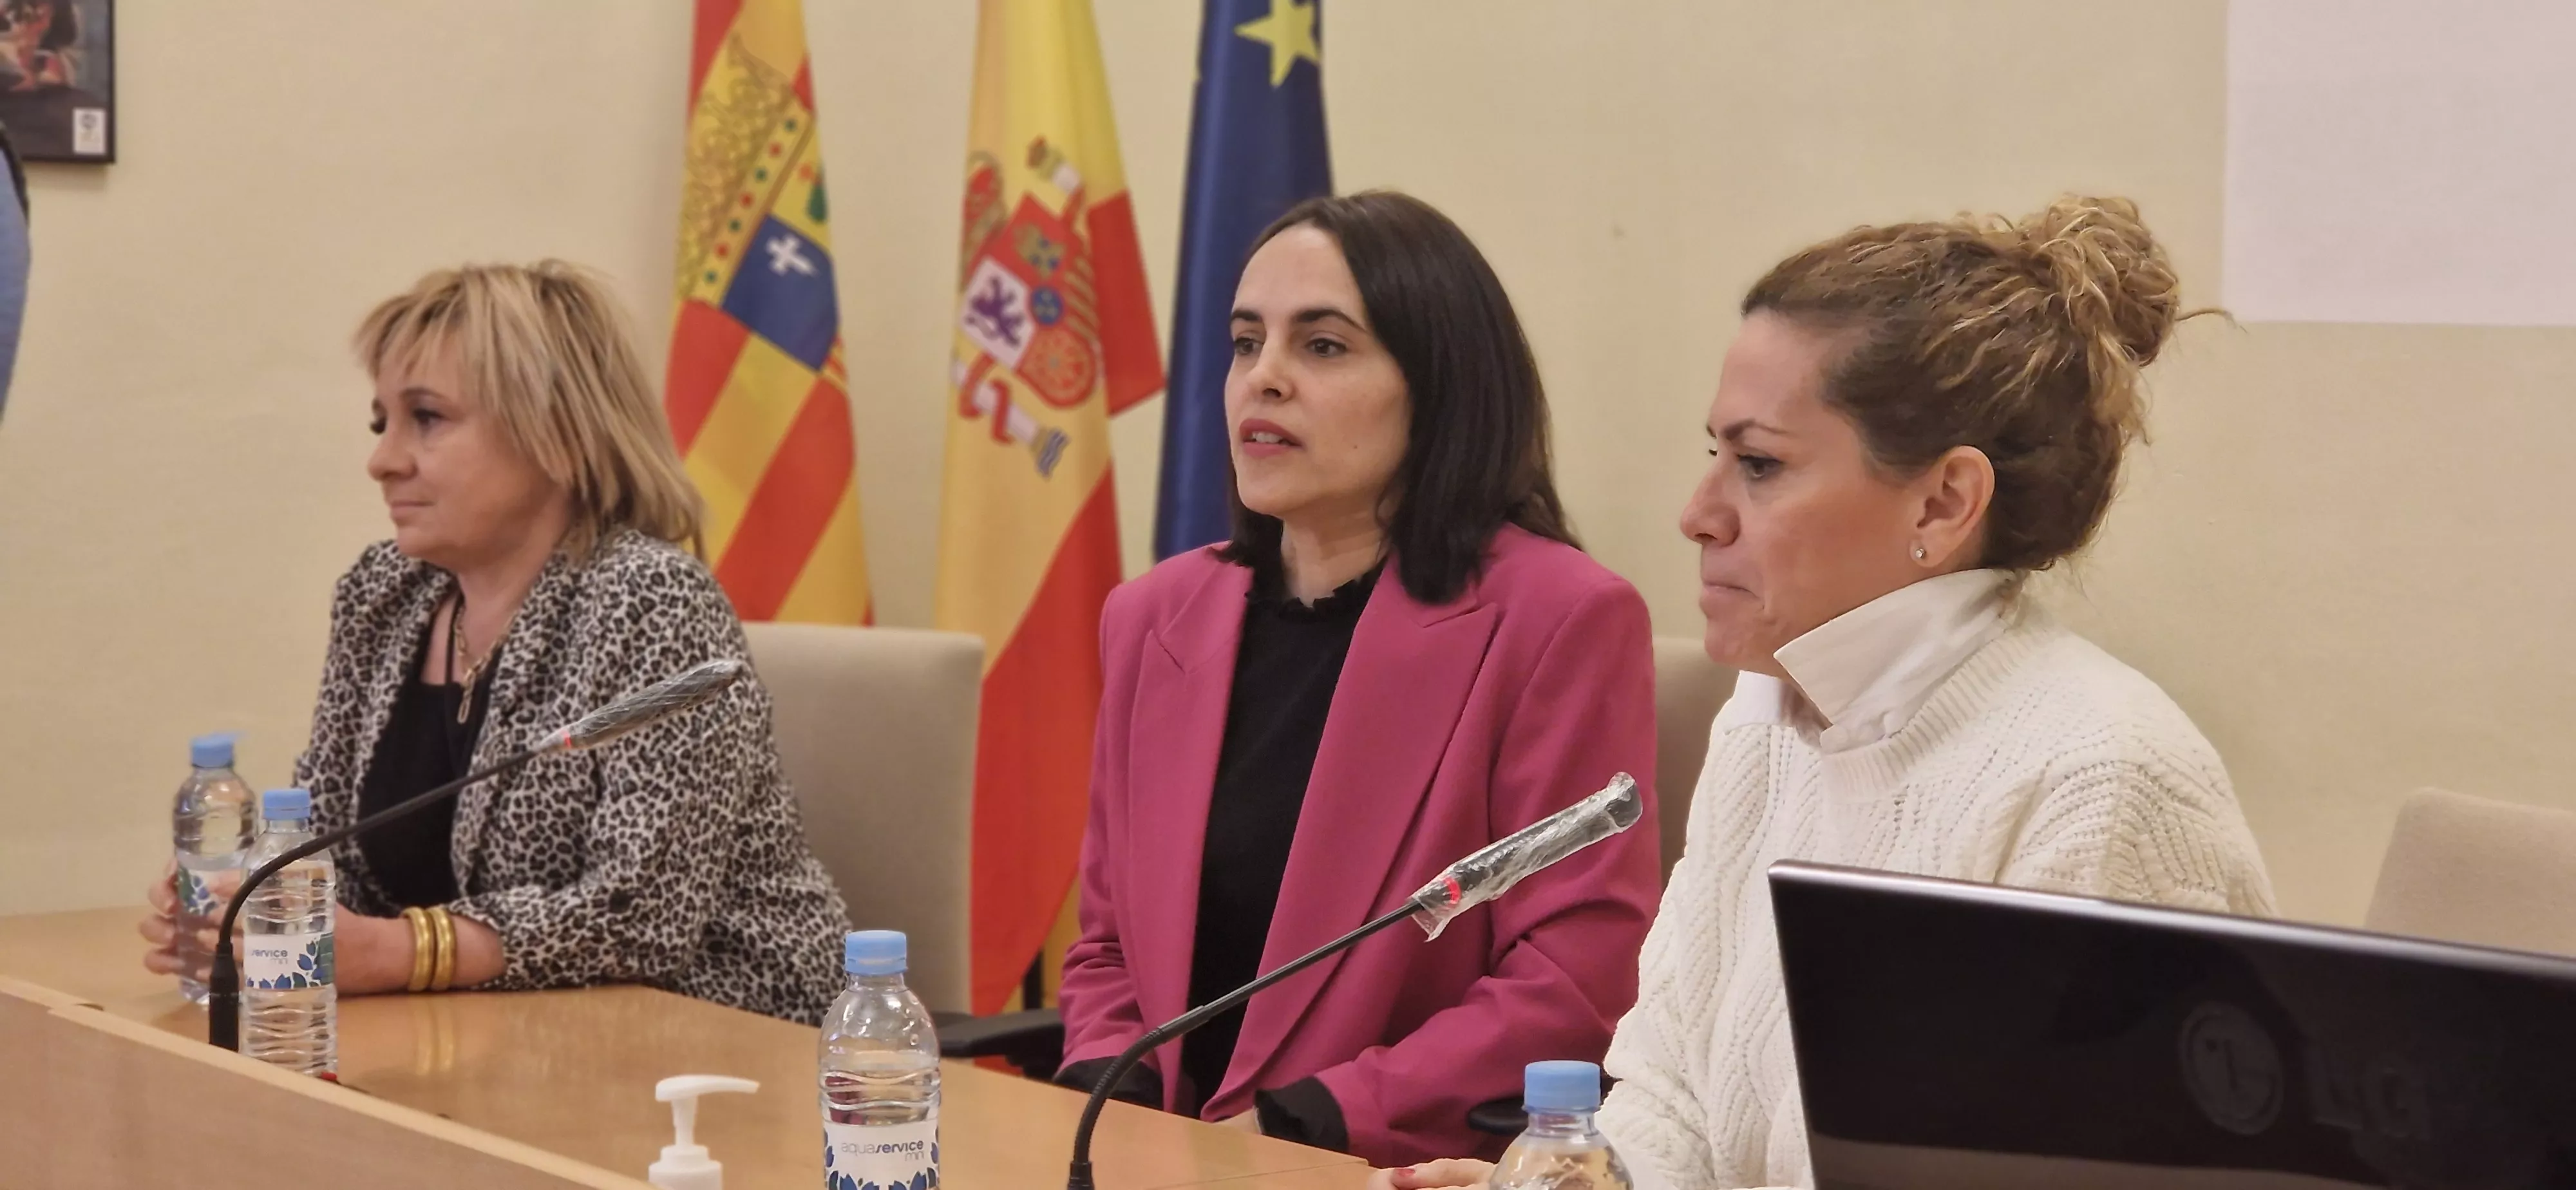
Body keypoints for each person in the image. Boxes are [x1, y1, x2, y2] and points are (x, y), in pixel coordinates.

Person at [1379, 196, 2277, 1190]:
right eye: (1713, 452)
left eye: (1759, 465)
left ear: (1944, 502)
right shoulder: (1771, 716)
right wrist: (1578, 1183)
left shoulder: (2101, 778)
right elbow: (1671, 1088)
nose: (1698, 514)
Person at [1056, 191, 1664, 1166]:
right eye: (1246, 342)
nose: (1265, 380)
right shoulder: (1154, 619)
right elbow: (1106, 949)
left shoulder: (1560, 620)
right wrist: (1106, 1110)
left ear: (1440, 388)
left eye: (1324, 347)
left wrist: (1299, 1128)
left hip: (1374, 1163)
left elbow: (1571, 981)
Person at [140, 261, 851, 1023]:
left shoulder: (651, 601)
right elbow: (332, 846)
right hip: (484, 1029)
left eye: (429, 419)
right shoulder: (383, 595)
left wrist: (393, 952)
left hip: (715, 1035)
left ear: (559, 435)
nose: (383, 460)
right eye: (383, 422)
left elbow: (643, 918)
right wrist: (255, 906)